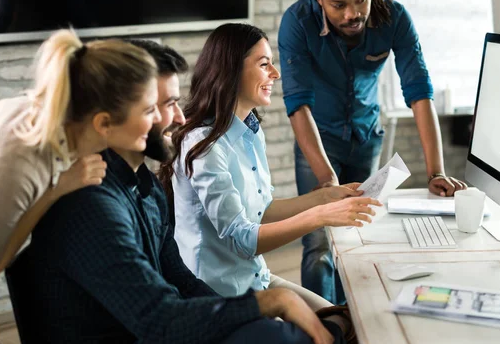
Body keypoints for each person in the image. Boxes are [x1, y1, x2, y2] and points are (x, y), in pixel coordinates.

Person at [15, 40, 358, 344]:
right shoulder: (91, 208)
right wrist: (268, 302)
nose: (179, 118)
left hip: (152, 339)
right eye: (158, 107)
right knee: (303, 340)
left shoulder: (143, 186)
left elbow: (184, 283)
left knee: (317, 330)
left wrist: (255, 312)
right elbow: (161, 324)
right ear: (105, 124)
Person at [157, 23, 380, 318]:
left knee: (347, 322)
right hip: (218, 296)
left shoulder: (250, 130)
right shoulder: (204, 145)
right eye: (264, 65)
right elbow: (242, 240)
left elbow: (263, 210)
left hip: (256, 278)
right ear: (232, 70)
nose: (275, 74)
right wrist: (320, 217)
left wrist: (328, 198)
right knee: (334, 334)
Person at [278, 0, 467, 304]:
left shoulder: (394, 17)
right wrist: (327, 181)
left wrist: (435, 171)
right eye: (339, 5)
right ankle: (325, 326)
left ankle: (356, 318)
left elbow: (419, 91)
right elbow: (297, 104)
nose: (353, 14)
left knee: (359, 233)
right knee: (319, 241)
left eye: (360, 0)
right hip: (318, 141)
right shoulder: (297, 22)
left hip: (367, 137)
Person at [0, 28, 160, 277]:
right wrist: (55, 190)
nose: (157, 118)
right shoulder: (21, 165)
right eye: (148, 110)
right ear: (102, 124)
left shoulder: (64, 118)